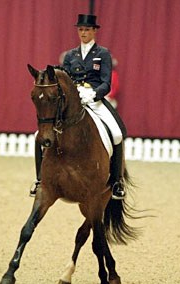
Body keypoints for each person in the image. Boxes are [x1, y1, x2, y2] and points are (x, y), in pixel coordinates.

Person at [30, 14, 126, 200]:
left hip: (94, 100)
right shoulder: (70, 55)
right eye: (81, 30)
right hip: (73, 101)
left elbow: (106, 82)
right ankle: (40, 180)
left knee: (117, 133)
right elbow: (63, 78)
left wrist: (94, 94)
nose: (83, 33)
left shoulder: (103, 54)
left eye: (87, 30)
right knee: (37, 136)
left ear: (94, 31)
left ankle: (116, 182)